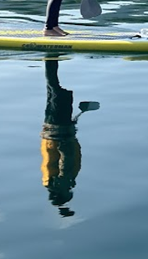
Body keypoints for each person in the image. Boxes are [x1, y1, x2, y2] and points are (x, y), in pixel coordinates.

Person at [40, 58, 99, 217]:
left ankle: (50, 57)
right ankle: (50, 58)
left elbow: (66, 160)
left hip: (59, 130)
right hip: (50, 129)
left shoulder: (61, 182)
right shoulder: (49, 182)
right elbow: (63, 160)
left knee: (55, 89)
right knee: (53, 88)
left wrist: (66, 139)